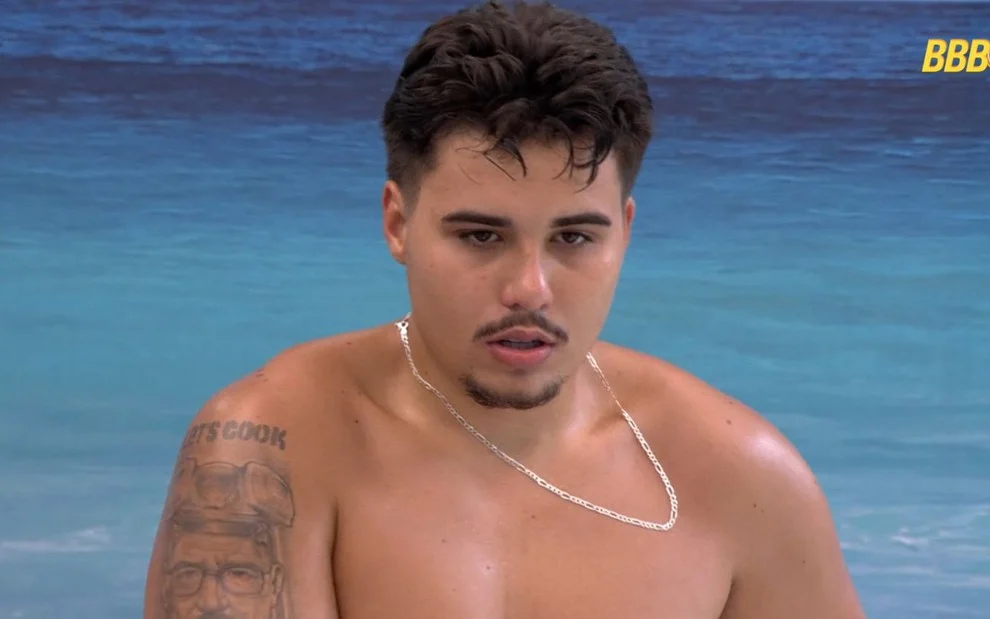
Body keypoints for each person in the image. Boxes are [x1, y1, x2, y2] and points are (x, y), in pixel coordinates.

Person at [143, 1, 867, 617]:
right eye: (481, 236)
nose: (530, 288)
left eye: (574, 237)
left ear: (625, 233)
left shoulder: (742, 479)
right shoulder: (273, 448)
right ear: (398, 223)